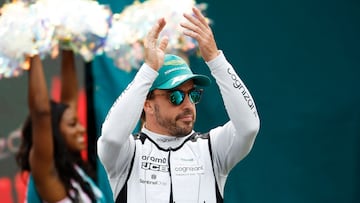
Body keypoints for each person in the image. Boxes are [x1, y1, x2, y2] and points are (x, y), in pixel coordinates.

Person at [97, 7, 260, 203]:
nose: (187, 104)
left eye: (193, 94)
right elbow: (111, 137)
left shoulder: (212, 148)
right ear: (147, 104)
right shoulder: (127, 153)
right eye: (175, 96)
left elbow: (249, 127)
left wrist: (216, 60)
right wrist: (148, 71)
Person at [16, 50, 106, 203]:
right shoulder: (47, 174)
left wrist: (67, 43)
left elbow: (70, 100)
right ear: (53, 134)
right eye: (72, 125)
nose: (82, 129)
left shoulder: (74, 173)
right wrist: (32, 47)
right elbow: (41, 113)